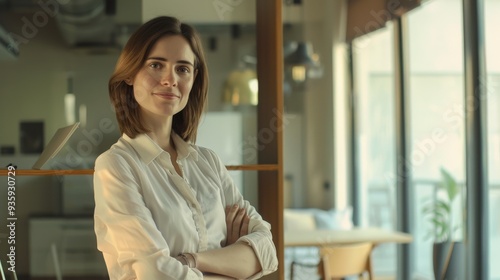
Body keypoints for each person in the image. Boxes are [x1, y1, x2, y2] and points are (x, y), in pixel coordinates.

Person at [93, 16, 278, 279]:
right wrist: (230, 261)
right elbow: (154, 273)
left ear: (194, 79)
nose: (170, 80)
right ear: (131, 74)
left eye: (182, 69)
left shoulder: (208, 162)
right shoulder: (116, 165)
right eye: (156, 65)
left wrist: (191, 261)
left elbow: (266, 253)